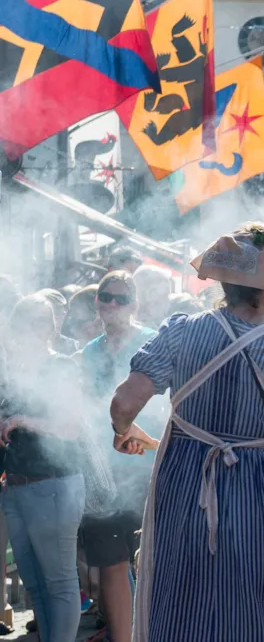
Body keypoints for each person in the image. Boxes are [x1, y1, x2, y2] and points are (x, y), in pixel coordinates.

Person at [109, 222, 264, 642]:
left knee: (180, 607)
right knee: (258, 613)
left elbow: (122, 404)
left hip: (184, 491)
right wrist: (252, 451)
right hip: (259, 501)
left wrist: (128, 430)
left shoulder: (182, 331)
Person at [79, 272, 160, 642]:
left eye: (120, 298)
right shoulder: (89, 352)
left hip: (147, 469)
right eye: (105, 297)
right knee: (111, 563)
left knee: (151, 560)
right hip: (102, 473)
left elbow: (165, 407)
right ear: (97, 302)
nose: (112, 305)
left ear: (135, 305)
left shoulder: (152, 343)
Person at [0, 296, 86, 642]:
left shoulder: (60, 366)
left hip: (54, 484)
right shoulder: (14, 373)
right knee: (35, 582)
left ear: (51, 327)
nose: (31, 329)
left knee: (60, 581)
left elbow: (71, 426)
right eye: (24, 321)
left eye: (39, 321)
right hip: (17, 487)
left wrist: (22, 420)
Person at [37, 289, 80, 355]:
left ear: (64, 315)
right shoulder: (25, 345)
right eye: (49, 314)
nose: (54, 320)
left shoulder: (73, 347)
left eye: (58, 313)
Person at [132, 265, 173, 330]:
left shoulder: (125, 327)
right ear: (150, 295)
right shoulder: (152, 334)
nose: (168, 300)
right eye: (165, 295)